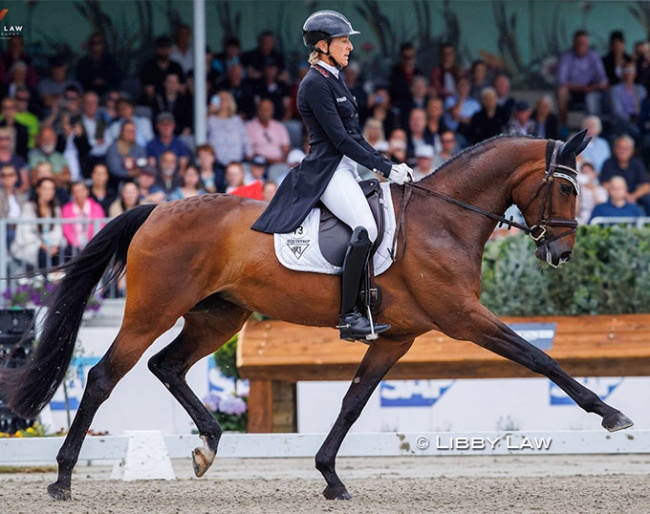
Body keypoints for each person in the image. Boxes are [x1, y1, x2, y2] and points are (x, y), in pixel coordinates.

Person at [251, 10, 413, 341]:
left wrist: (387, 163)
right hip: (328, 171)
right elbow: (339, 140)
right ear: (323, 45)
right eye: (343, 41)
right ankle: (349, 316)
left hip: (347, 167)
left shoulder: (334, 78)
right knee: (365, 228)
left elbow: (354, 136)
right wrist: (385, 168)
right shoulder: (314, 84)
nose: (350, 47)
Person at [11, 177, 66, 270]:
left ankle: (59, 282)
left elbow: (57, 231)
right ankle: (45, 284)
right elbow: (26, 232)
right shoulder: (28, 207)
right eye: (45, 189)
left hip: (51, 245)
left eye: (51, 189)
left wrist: (55, 245)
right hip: (31, 246)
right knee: (42, 254)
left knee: (63, 253)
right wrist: (42, 245)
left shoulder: (56, 209)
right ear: (38, 190)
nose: (48, 192)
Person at [556, 30, 609, 127]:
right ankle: (563, 126)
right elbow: (561, 80)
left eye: (583, 43)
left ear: (588, 43)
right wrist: (580, 88)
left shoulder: (594, 56)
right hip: (573, 90)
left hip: (590, 90)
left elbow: (603, 80)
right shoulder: (566, 56)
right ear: (574, 43)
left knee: (593, 97)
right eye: (578, 42)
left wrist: (592, 88)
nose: (581, 45)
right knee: (561, 91)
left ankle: (594, 128)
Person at [600, 134, 650, 214]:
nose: (623, 151)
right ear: (615, 149)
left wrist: (633, 196)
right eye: (620, 148)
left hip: (633, 195)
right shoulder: (608, 163)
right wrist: (624, 195)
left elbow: (646, 186)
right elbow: (605, 184)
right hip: (613, 194)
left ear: (632, 151)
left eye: (626, 149)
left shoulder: (637, 163)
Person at [207, 90, 252, 168]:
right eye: (219, 99)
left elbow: (244, 137)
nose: (222, 101)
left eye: (225, 99)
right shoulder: (211, 120)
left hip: (236, 161)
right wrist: (209, 112)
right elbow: (202, 135)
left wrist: (249, 152)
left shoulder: (237, 120)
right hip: (217, 163)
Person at [61, 181, 105, 256]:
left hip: (93, 244)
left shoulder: (97, 207)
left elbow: (101, 227)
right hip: (73, 247)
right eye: (75, 192)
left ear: (87, 191)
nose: (79, 194)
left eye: (81, 191)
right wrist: (76, 245)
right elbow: (66, 230)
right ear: (72, 194)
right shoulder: (66, 209)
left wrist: (91, 244)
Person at [245, 99, 291, 164]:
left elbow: (286, 148)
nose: (267, 112)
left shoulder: (279, 126)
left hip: (280, 163)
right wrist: (272, 161)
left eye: (269, 109)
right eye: (264, 109)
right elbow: (250, 153)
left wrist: (286, 159)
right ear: (258, 110)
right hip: (259, 164)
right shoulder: (249, 127)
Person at [105, 120, 147, 186]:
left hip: (136, 181)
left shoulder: (139, 148)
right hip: (116, 182)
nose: (131, 133)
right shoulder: (114, 148)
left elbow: (143, 164)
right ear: (122, 132)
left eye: (133, 131)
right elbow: (114, 169)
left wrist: (138, 171)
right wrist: (129, 173)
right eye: (128, 131)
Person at [0, 165, 26, 247]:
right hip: (5, 230)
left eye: (11, 175)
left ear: (16, 177)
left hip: (21, 229)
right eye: (4, 175)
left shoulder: (21, 195)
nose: (7, 178)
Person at [0, 127, 28, 191]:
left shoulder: (18, 160)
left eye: (6, 139)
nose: (3, 141)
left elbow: (25, 183)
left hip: (17, 195)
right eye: (1, 139)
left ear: (10, 140)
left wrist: (14, 195)